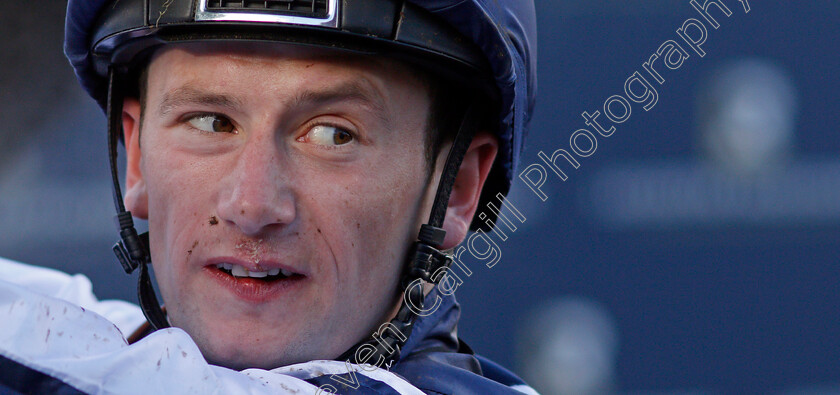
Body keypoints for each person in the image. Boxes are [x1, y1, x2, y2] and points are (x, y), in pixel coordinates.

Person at [0, 0, 537, 393]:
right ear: (136, 159)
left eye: (333, 134)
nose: (253, 207)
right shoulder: (104, 345)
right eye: (211, 122)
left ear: (460, 190)